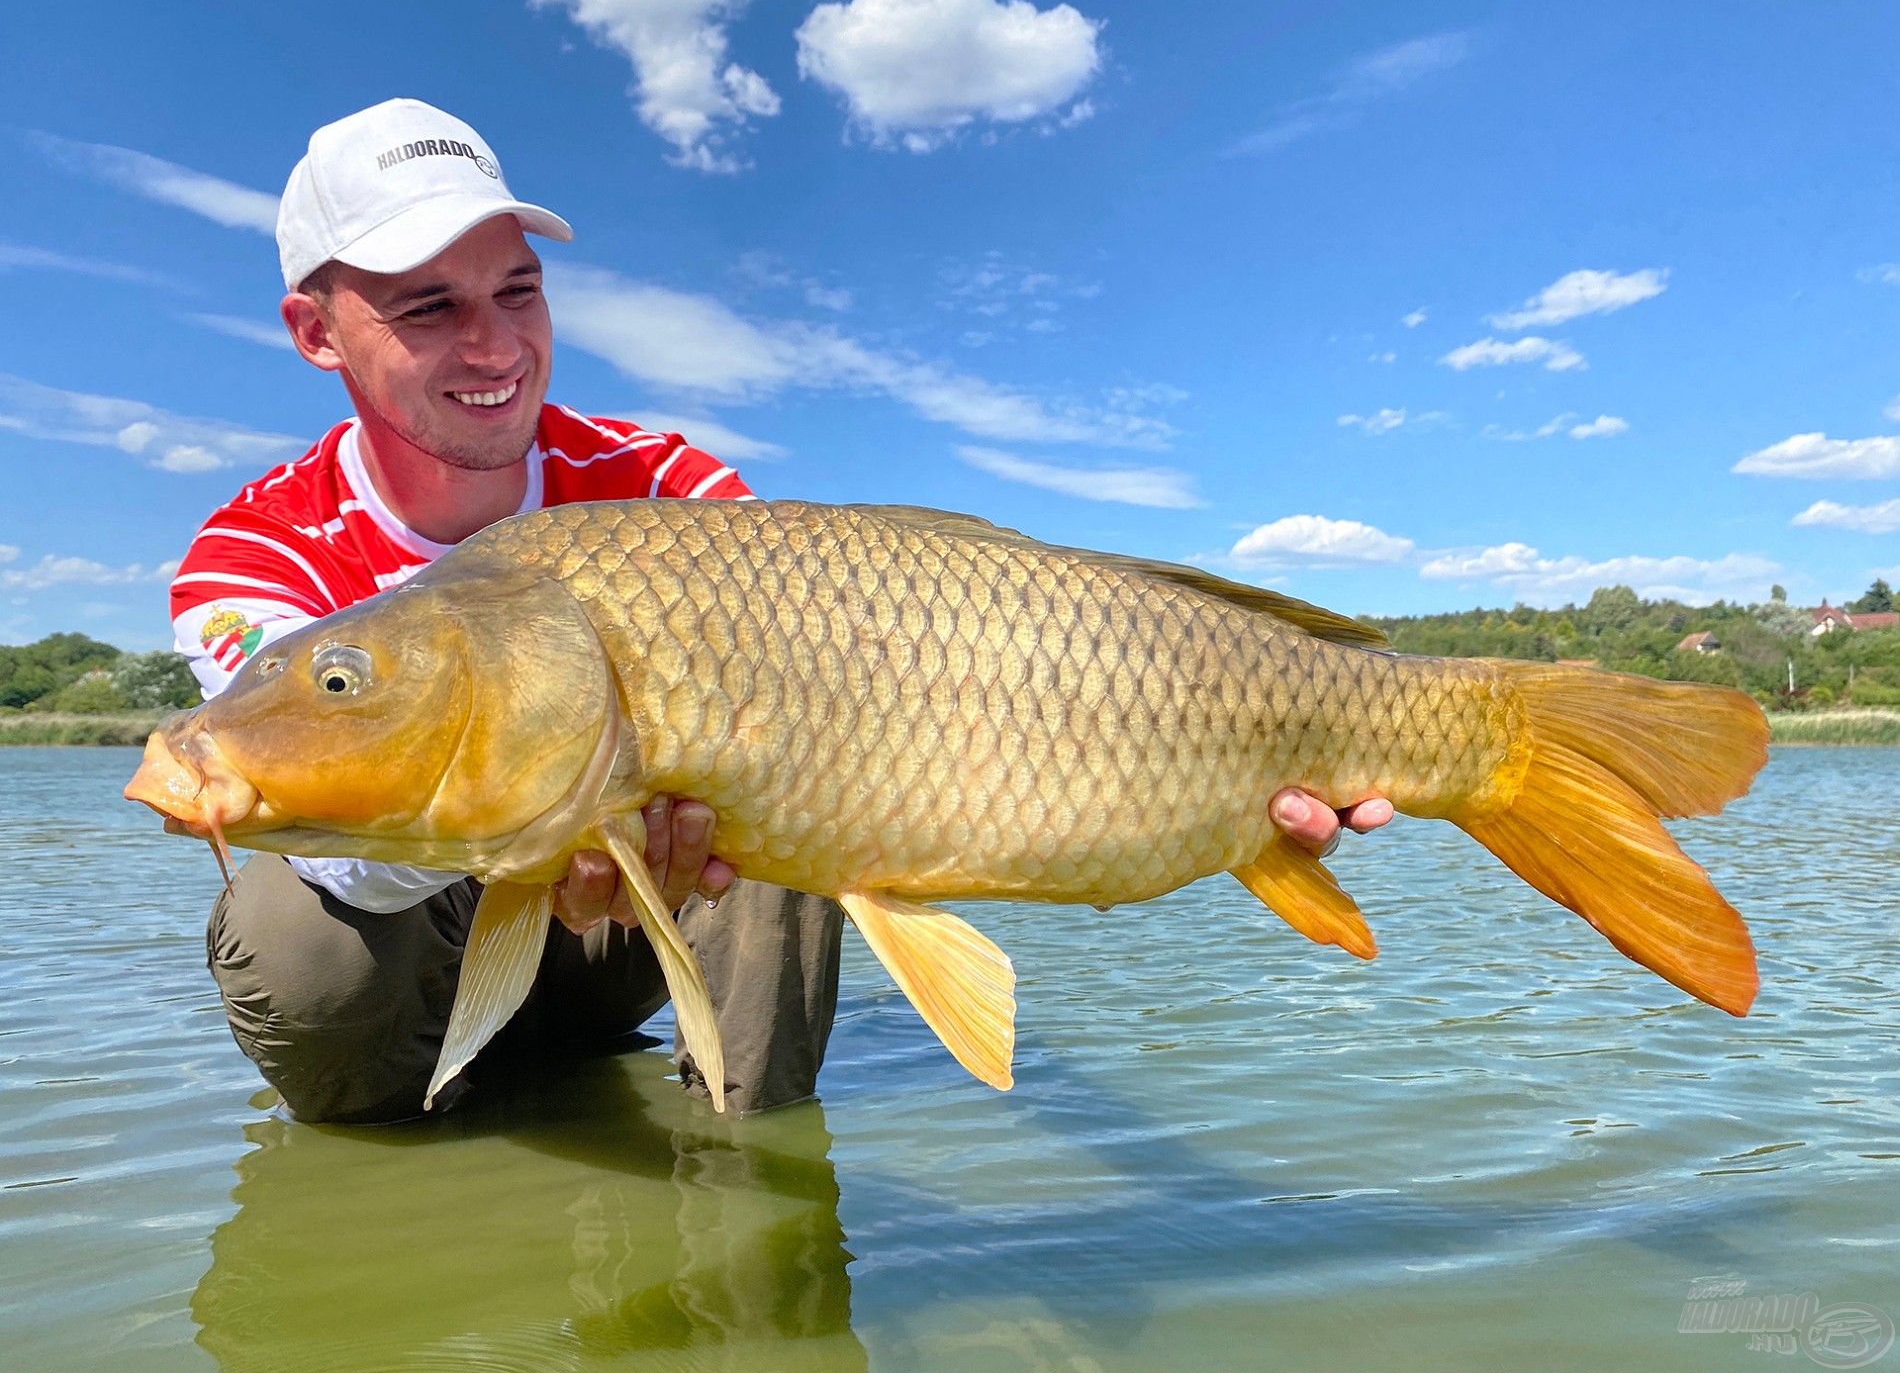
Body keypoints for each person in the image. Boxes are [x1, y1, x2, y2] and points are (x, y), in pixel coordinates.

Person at [169, 98, 1391, 1125]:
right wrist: (536, 830)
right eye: (427, 306)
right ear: (316, 331)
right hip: (400, 954)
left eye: (519, 291)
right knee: (296, 906)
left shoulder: (668, 490)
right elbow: (318, 822)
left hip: (627, 926)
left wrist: (1224, 759)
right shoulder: (250, 552)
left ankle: (743, 1179)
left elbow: (894, 679)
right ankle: (390, 1141)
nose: (493, 342)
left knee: (779, 760)